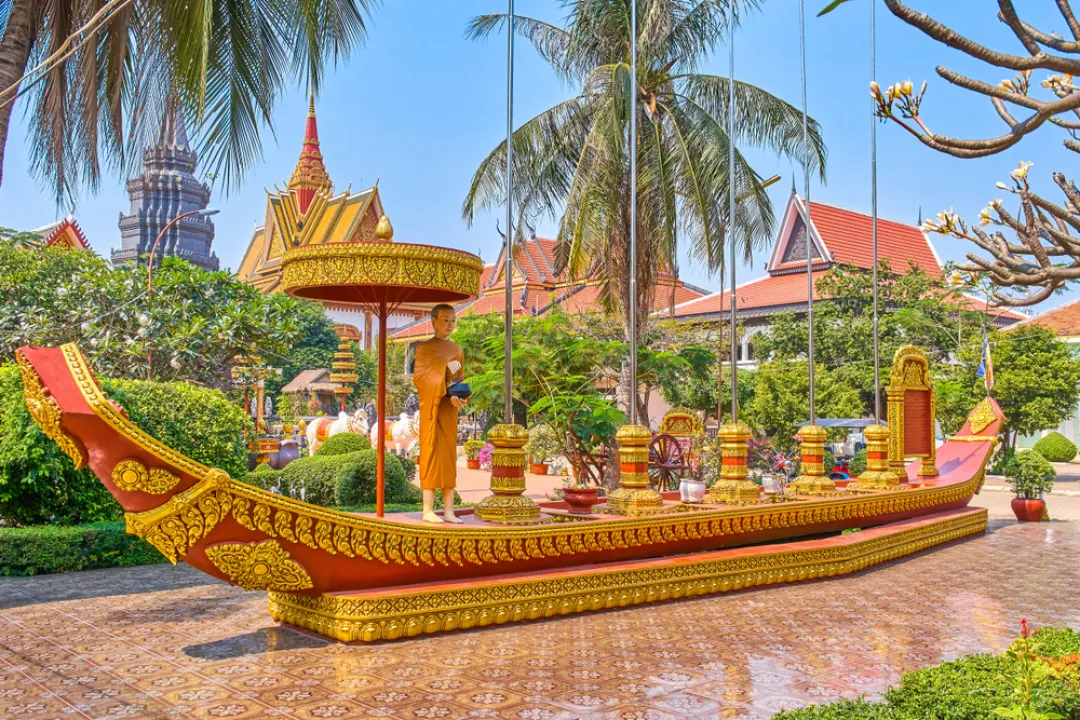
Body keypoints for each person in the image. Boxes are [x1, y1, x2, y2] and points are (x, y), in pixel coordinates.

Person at [413, 304, 468, 523]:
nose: (449, 324)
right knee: (431, 454)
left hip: (448, 409)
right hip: (431, 410)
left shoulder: (457, 349)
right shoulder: (424, 349)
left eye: (453, 320)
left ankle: (448, 511)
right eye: (445, 320)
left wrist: (460, 397)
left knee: (449, 457)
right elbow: (420, 378)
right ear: (433, 321)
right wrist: (444, 367)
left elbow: (459, 380)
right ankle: (427, 509)